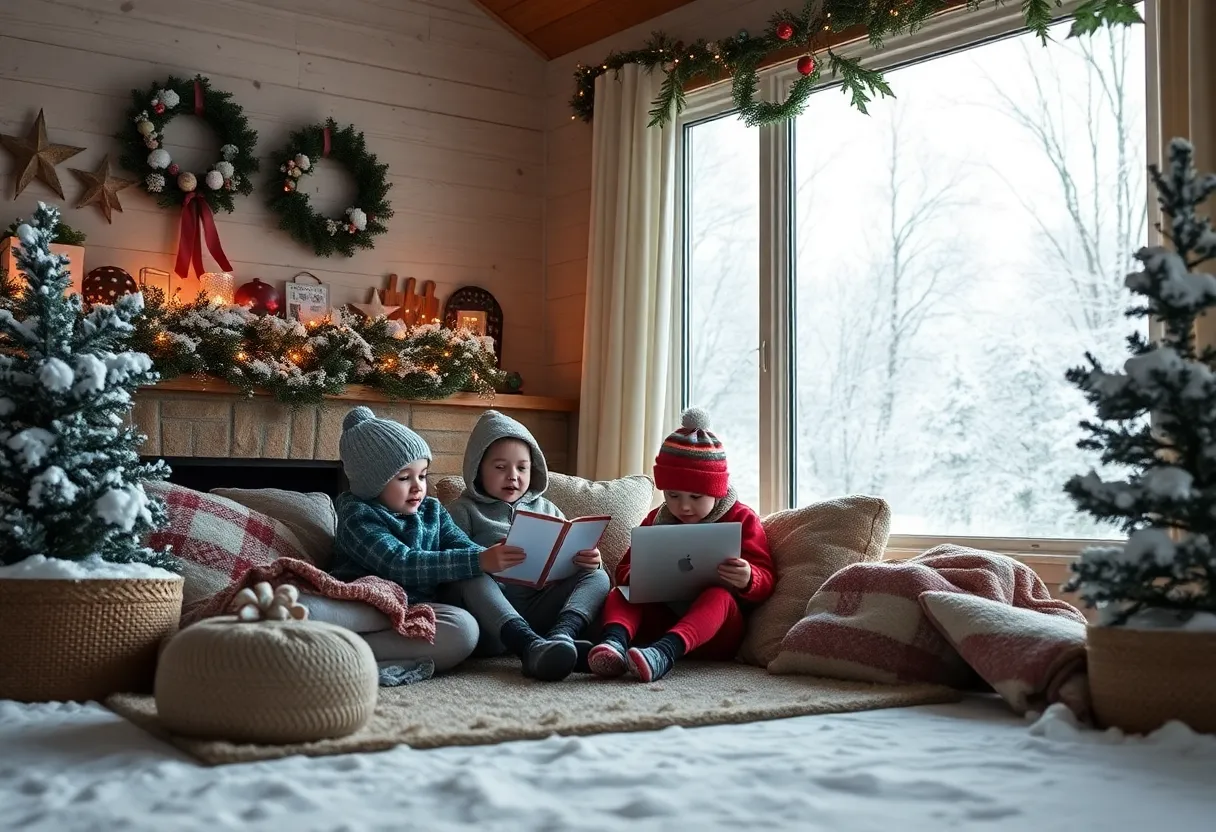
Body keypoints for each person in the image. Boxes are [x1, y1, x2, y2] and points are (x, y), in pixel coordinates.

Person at [329, 406, 578, 681]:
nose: (418, 487)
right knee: (470, 571)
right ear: (370, 484)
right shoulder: (358, 515)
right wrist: (480, 560)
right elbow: (399, 563)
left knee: (465, 629)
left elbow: (461, 545)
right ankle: (332, 647)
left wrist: (491, 556)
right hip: (369, 607)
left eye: (422, 476)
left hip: (416, 611)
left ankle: (538, 642)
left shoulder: (432, 510)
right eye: (404, 478)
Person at [589, 408, 775, 682]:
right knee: (622, 593)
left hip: (715, 635)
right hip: (660, 623)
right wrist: (639, 575)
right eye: (673, 495)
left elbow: (767, 579)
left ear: (717, 490)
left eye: (696, 496)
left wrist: (748, 577)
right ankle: (614, 645)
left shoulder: (742, 518)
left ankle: (664, 654)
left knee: (719, 596)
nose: (684, 506)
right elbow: (624, 569)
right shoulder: (658, 518)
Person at [448, 410, 610, 676]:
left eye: (521, 468)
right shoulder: (463, 511)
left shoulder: (548, 508)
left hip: (539, 611)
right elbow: (447, 563)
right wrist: (484, 558)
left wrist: (590, 559)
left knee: (599, 575)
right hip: (492, 623)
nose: (513, 476)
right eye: (500, 467)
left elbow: (570, 548)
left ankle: (562, 637)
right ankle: (528, 646)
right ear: (477, 469)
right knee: (469, 575)